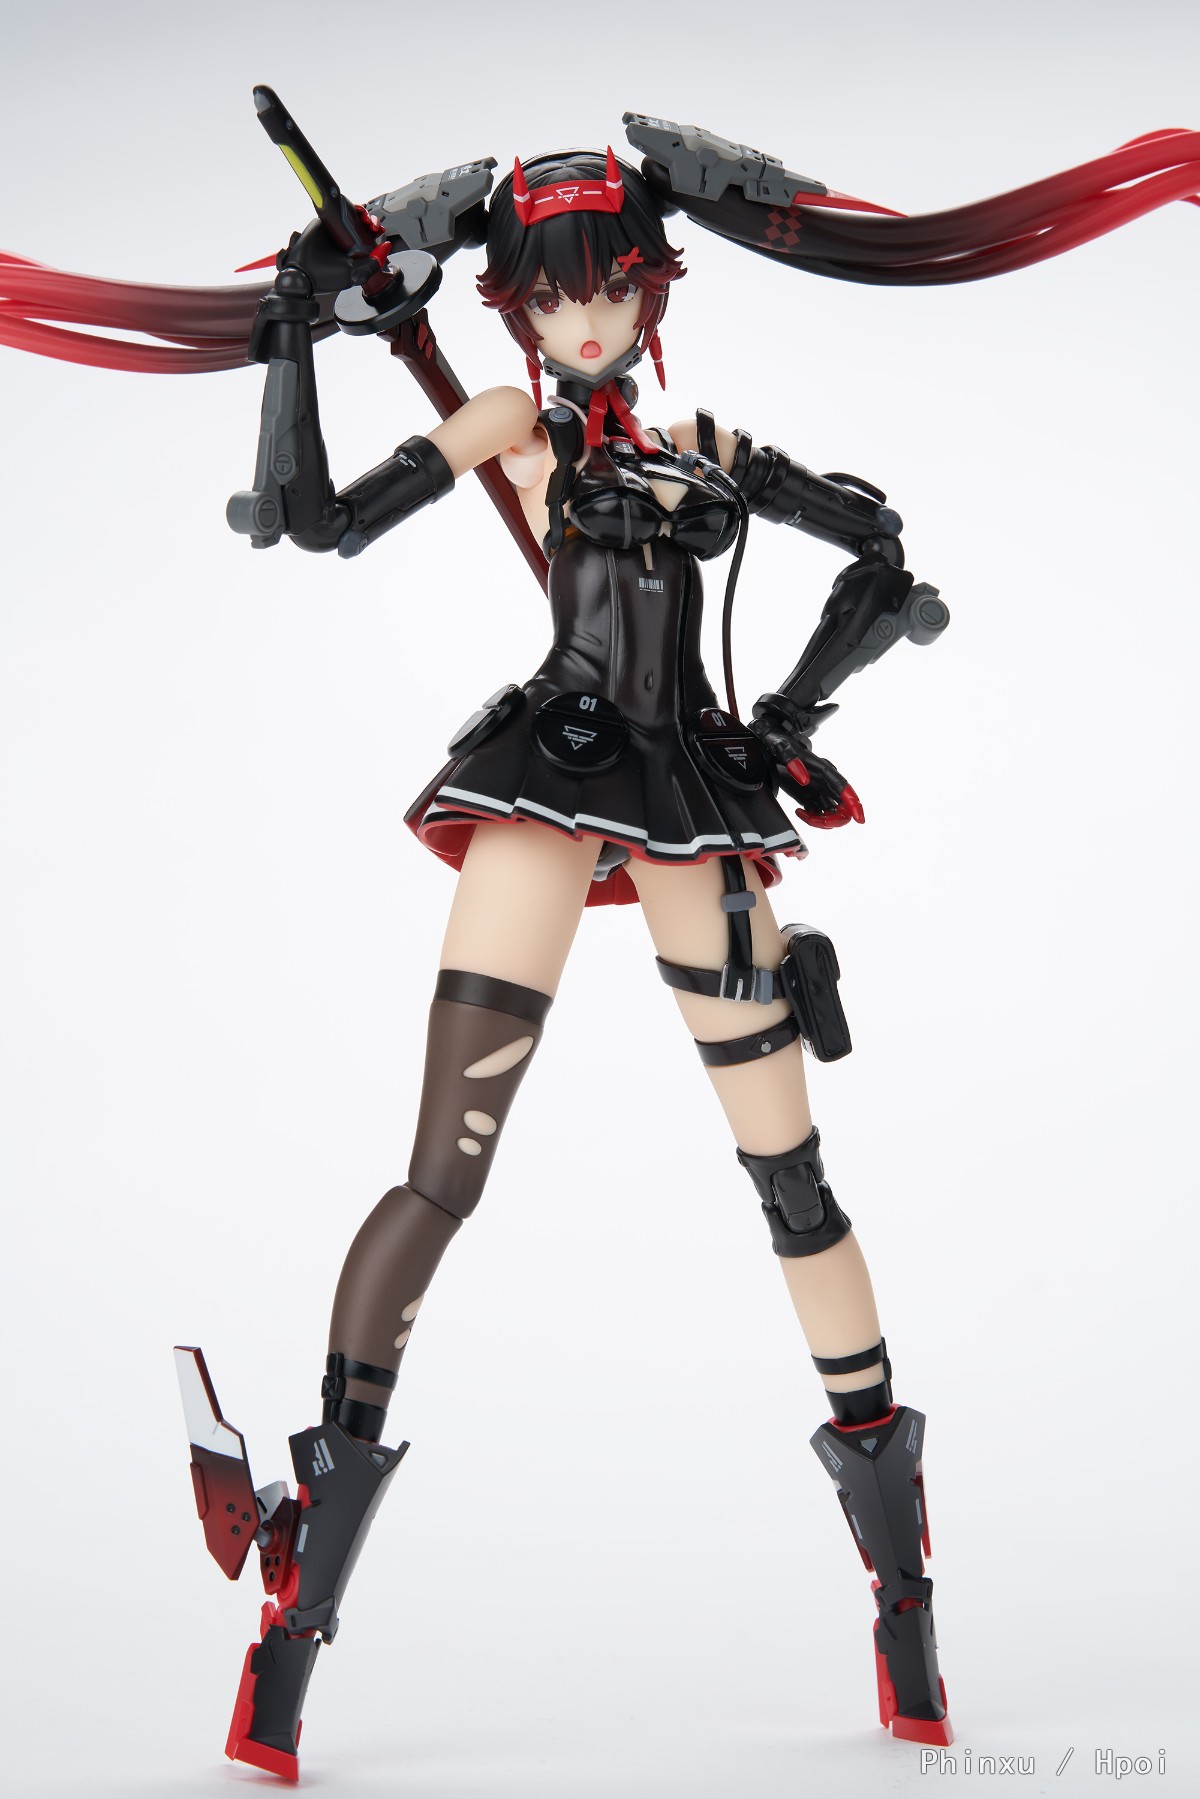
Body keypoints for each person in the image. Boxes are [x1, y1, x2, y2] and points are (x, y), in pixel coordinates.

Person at [6, 109, 1197, 1781]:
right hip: (548, 784)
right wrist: (291, 332)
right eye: (556, 294)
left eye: (613, 287)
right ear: (515, 304)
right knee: (443, 1174)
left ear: (651, 288)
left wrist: (789, 716)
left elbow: (881, 552)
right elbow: (310, 522)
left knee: (794, 1185)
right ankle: (297, 1587)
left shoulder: (707, 440)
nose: (587, 318)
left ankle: (905, 1606)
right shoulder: (510, 422)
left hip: (697, 797)